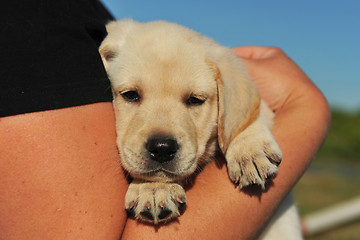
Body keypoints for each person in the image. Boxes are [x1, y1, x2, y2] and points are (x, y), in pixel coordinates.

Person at [0, 1, 330, 239]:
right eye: (131, 95)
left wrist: (245, 136)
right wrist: (306, 108)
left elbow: (250, 112)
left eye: (194, 100)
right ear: (105, 60)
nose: (162, 137)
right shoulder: (111, 44)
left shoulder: (227, 77)